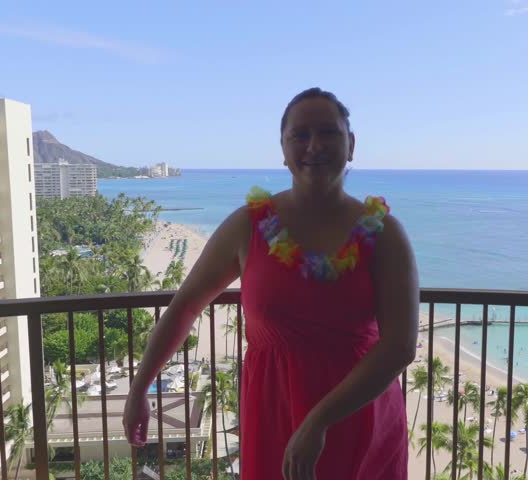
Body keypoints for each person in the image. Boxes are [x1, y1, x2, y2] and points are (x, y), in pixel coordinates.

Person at [123, 88, 418, 480]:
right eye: (300, 135)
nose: (315, 145)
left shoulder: (384, 233)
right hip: (272, 409)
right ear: (283, 149)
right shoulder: (249, 226)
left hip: (358, 412)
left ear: (351, 144)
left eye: (329, 132)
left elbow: (399, 346)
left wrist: (319, 420)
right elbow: (186, 307)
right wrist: (139, 387)